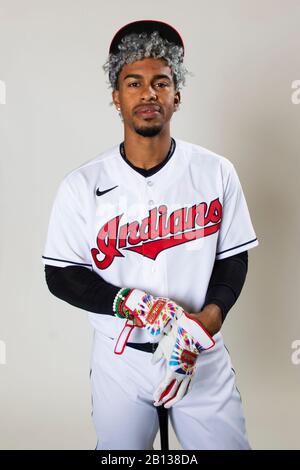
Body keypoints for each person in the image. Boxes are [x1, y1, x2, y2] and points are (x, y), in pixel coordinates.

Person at [42, 20, 259, 450]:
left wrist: (208, 321)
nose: (148, 94)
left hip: (201, 353)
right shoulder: (82, 185)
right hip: (120, 360)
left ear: (176, 96)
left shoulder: (215, 172)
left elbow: (233, 257)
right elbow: (61, 273)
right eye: (134, 83)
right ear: (116, 98)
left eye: (161, 82)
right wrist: (125, 301)